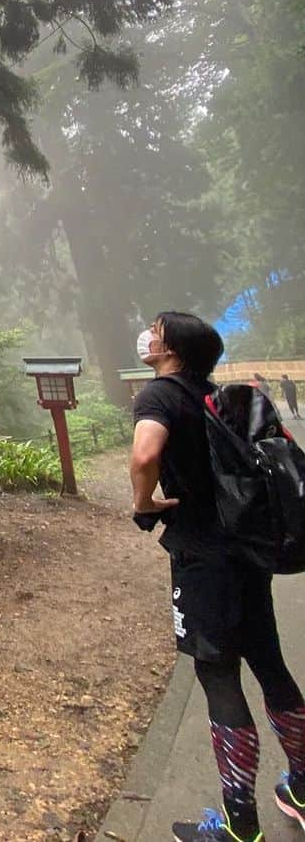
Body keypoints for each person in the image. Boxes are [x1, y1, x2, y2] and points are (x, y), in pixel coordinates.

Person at [130, 312, 305, 842]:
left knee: (218, 675)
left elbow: (144, 454)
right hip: (248, 553)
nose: (148, 335)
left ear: (172, 347)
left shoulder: (159, 395)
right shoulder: (216, 396)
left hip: (203, 561)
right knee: (270, 667)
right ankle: (300, 788)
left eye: (157, 329)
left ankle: (238, 823)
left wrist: (144, 502)